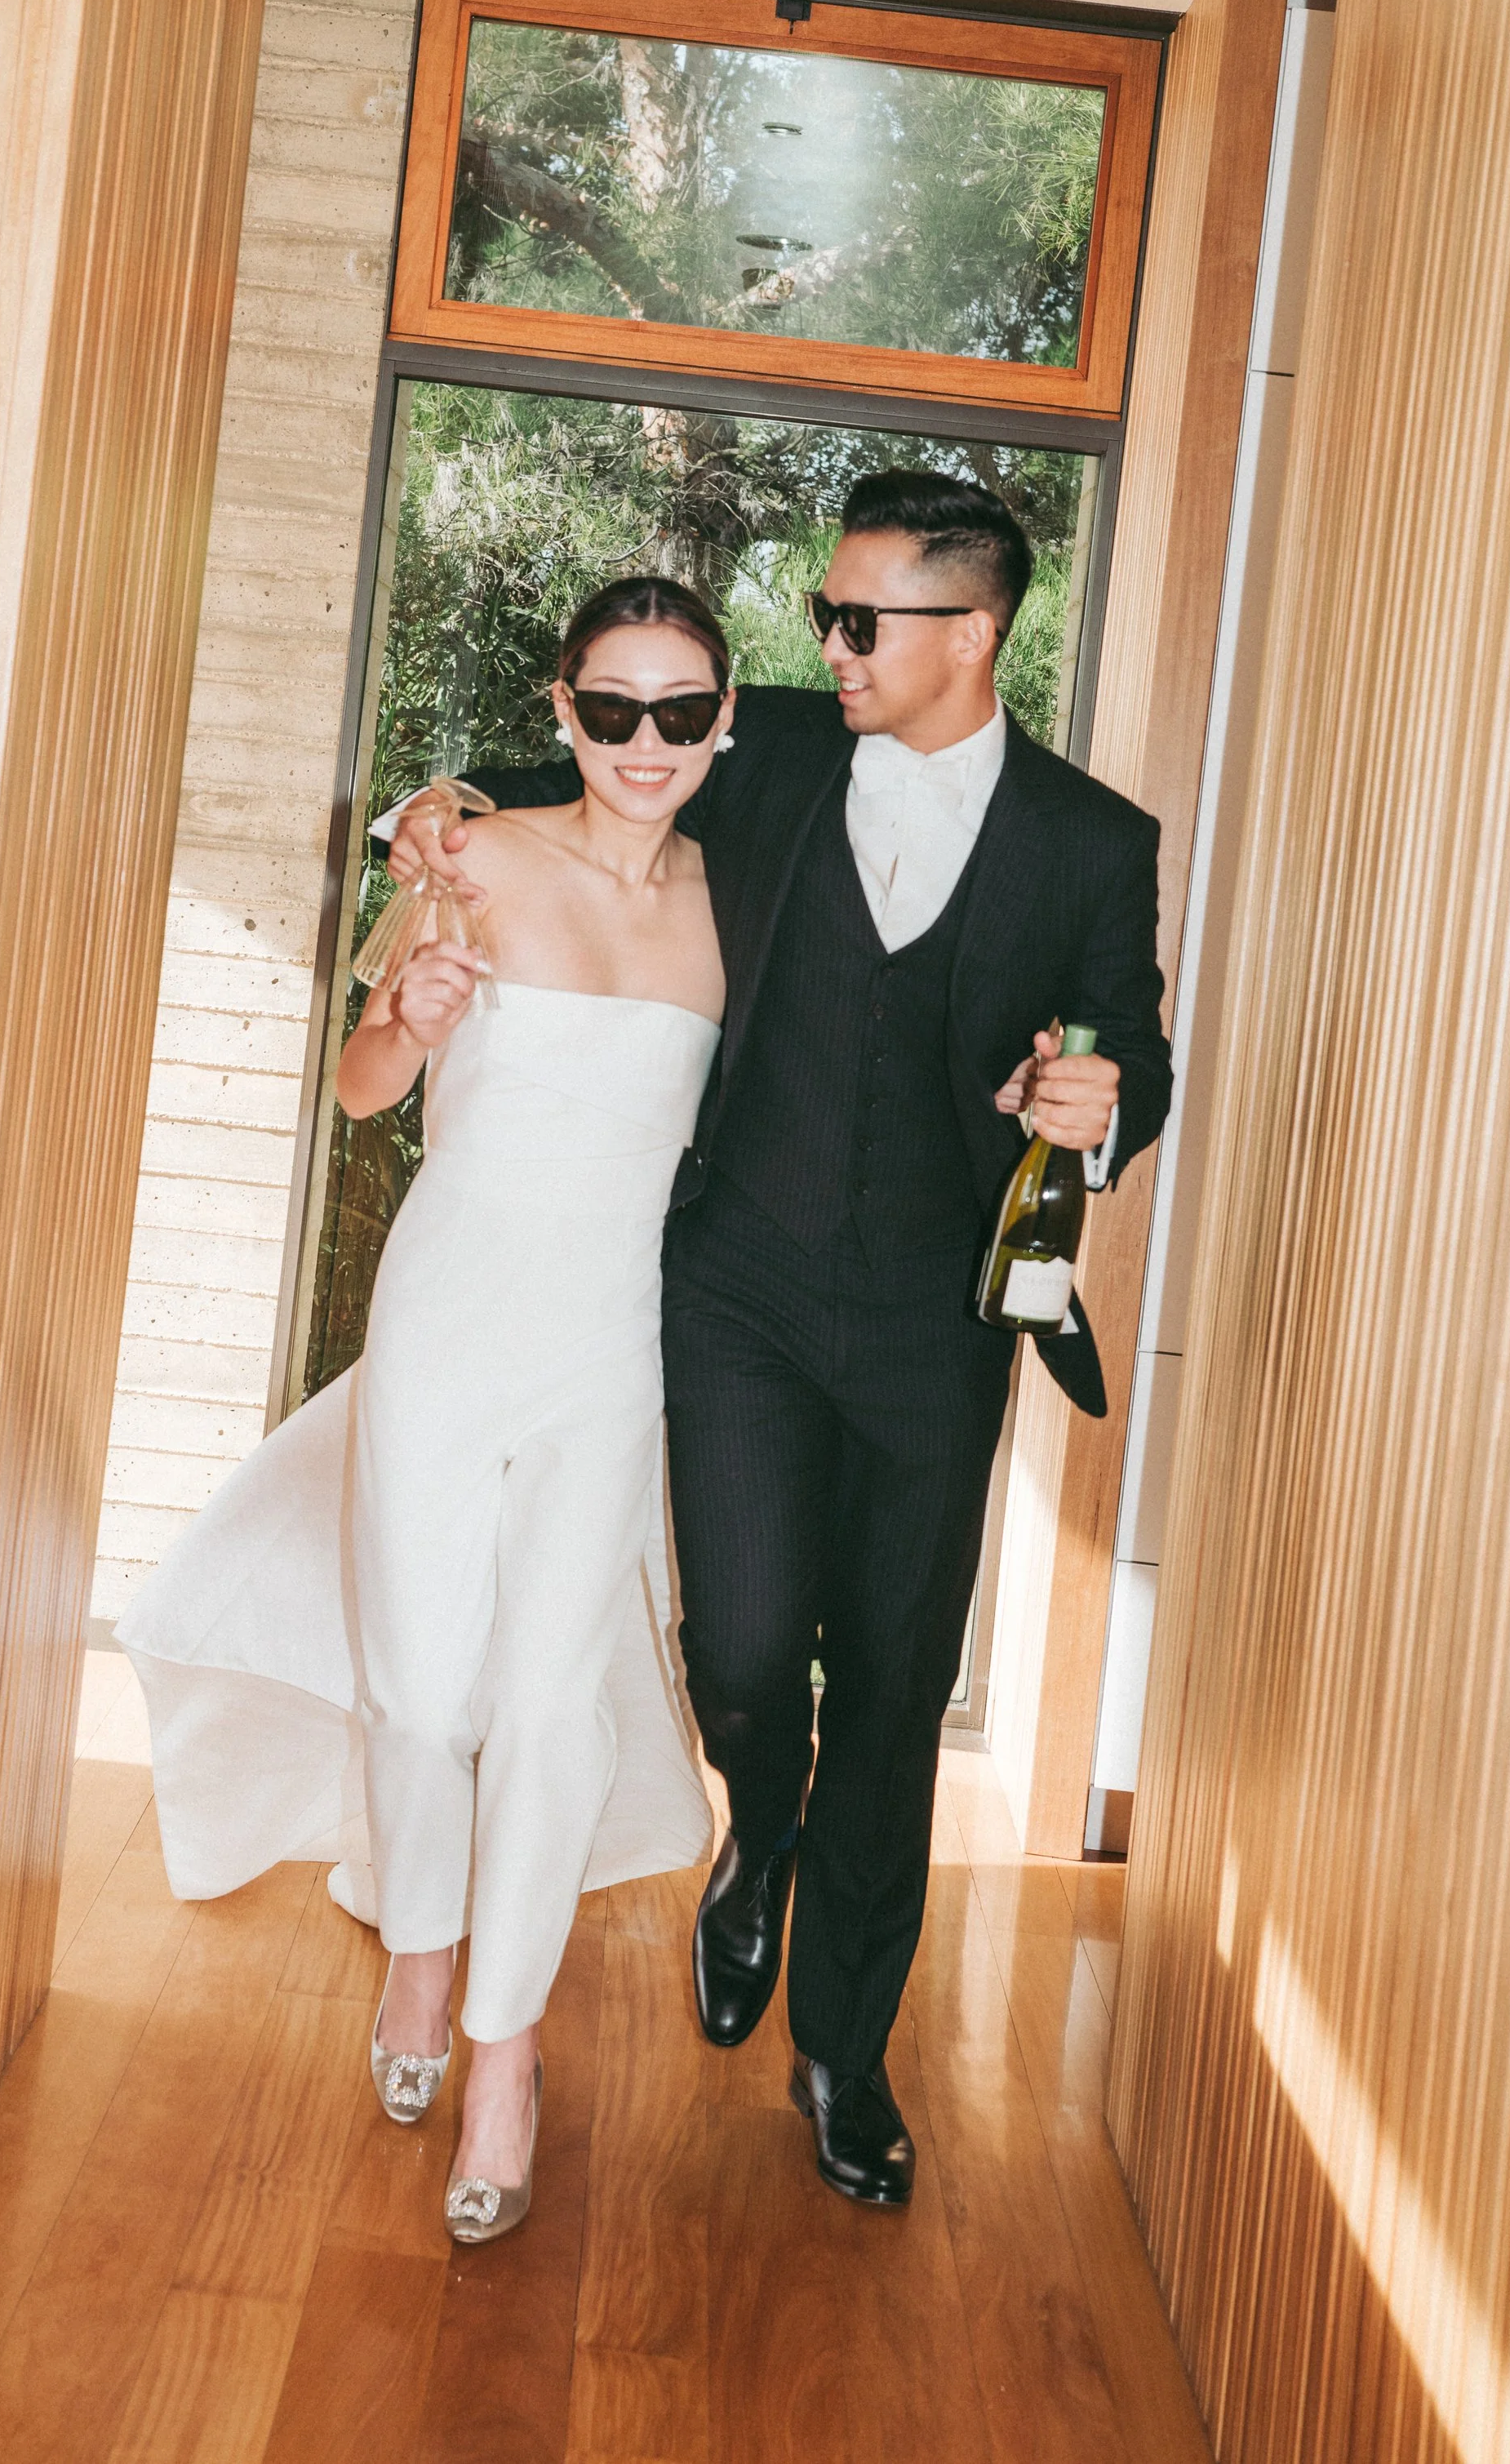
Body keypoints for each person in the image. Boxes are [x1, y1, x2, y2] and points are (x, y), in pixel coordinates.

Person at [389, 468, 1172, 2209]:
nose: (830, 643)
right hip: (735, 1288)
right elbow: (588, 770)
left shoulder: (1090, 840)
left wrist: (1103, 1099)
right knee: (742, 1651)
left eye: (861, 618)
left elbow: (1133, 1044)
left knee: (892, 1689)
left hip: (931, 1322)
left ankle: (844, 2054)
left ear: (973, 633)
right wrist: (436, 807)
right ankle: (760, 1820)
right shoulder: (773, 754)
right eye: (824, 613)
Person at [119, 576, 735, 2246]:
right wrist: (404, 1012)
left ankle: (504, 2054)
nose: (647, 743)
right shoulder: (474, 861)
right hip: (449, 1315)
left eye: (682, 710)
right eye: (613, 708)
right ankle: (418, 1952)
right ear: (562, 711)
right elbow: (362, 1088)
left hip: (609, 1345)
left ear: (725, 722)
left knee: (547, 1700)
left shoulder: (729, 901)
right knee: (416, 1683)